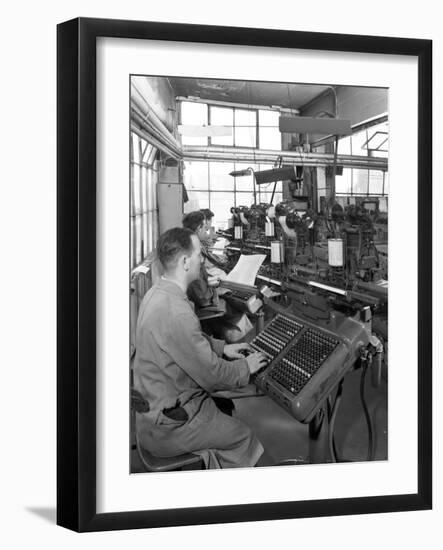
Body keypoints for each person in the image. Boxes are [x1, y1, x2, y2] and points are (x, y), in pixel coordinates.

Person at [133, 227, 268, 469]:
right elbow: (213, 376)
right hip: (170, 426)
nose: (202, 259)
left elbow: (183, 342)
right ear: (185, 261)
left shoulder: (157, 294)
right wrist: (245, 367)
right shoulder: (176, 312)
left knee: (223, 408)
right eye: (199, 254)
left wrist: (222, 348)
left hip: (153, 413)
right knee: (243, 437)